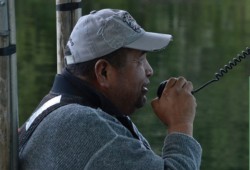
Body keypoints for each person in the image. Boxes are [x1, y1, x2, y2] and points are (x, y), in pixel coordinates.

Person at [18, 9, 202, 169]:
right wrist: (180, 124)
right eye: (139, 59)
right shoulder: (83, 125)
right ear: (103, 71)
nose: (150, 71)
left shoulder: (60, 106)